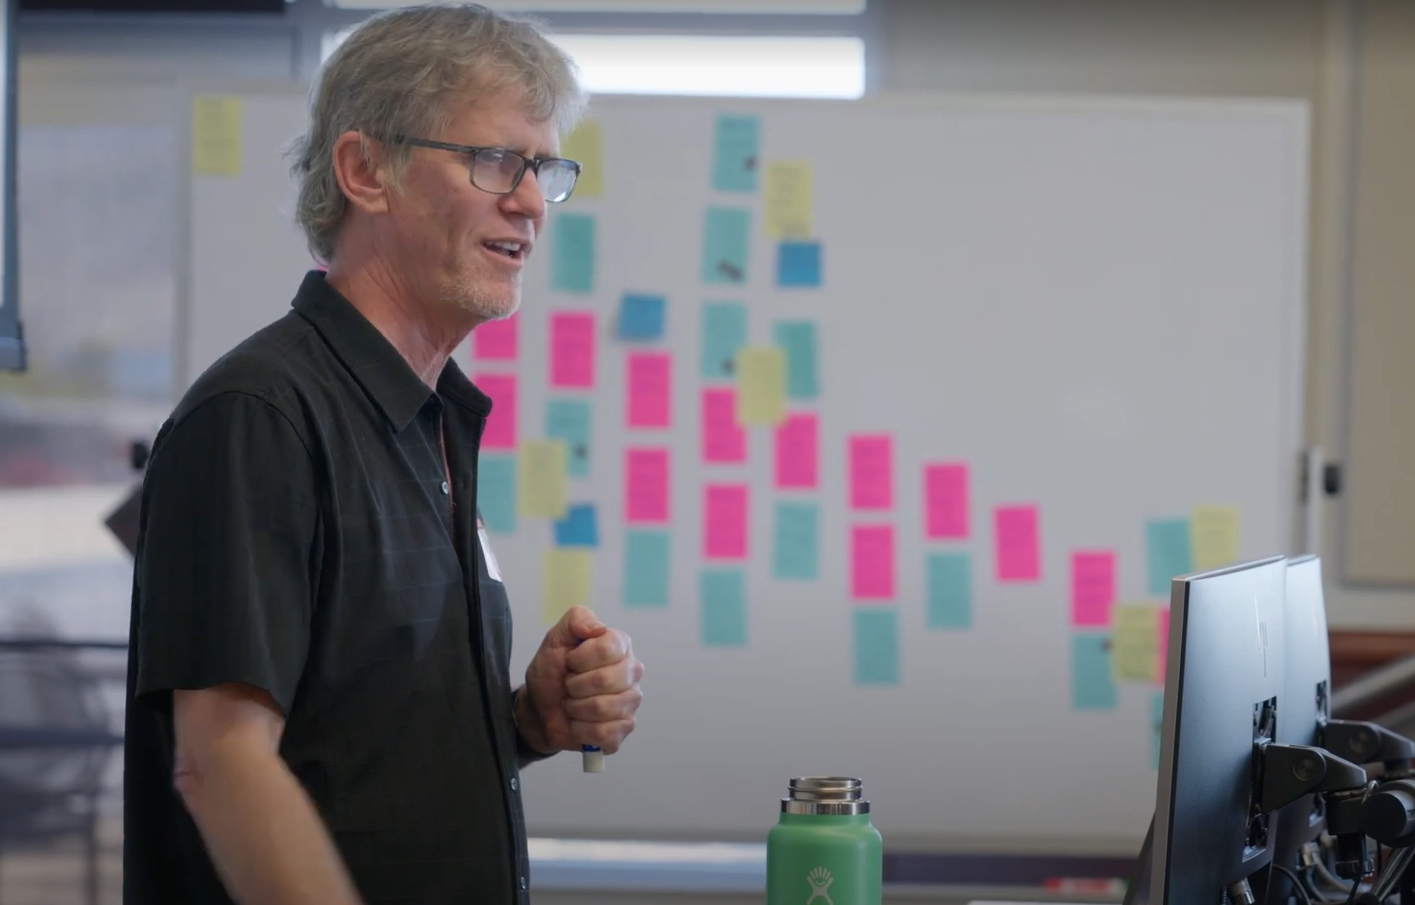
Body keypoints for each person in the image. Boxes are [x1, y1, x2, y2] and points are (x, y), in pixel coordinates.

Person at [122, 5, 643, 903]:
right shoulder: (262, 415)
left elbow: (357, 741)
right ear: (366, 171)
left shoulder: (429, 421)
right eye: (494, 161)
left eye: (543, 169)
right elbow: (221, 762)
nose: (528, 200)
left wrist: (523, 720)